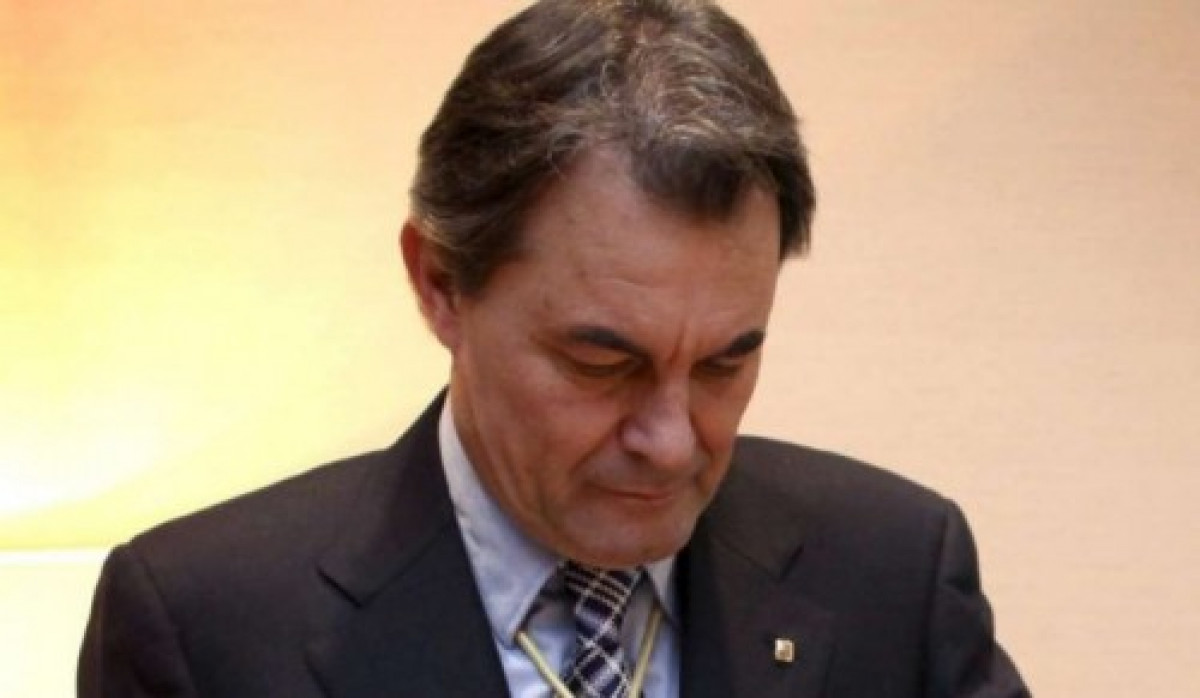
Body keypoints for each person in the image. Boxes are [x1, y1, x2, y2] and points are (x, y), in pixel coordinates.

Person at [78, 1, 1030, 696]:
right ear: (440, 284)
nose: (672, 442)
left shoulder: (893, 571)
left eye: (723, 365)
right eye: (601, 365)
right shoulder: (206, 625)